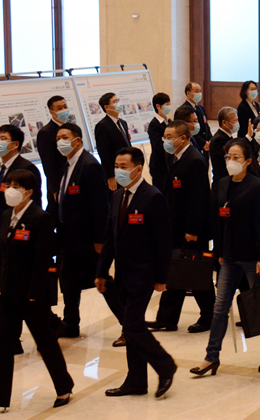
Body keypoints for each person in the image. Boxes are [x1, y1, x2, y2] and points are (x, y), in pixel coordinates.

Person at [0, 170, 73, 417]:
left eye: (16, 186)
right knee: (3, 345)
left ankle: (64, 387)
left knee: (45, 342)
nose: (10, 190)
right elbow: (4, 256)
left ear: (28, 192)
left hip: (32, 296)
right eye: (9, 185)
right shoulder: (6, 216)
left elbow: (42, 260)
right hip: (8, 295)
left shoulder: (40, 218)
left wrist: (35, 293)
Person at [192, 139, 260, 375]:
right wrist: (219, 252)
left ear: (248, 161)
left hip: (252, 257)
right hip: (229, 257)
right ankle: (211, 357)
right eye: (228, 157)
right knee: (220, 308)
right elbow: (218, 222)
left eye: (236, 157)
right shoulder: (222, 184)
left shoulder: (257, 186)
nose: (230, 161)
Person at [96, 147, 176, 398]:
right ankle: (137, 380)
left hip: (144, 274)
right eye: (116, 166)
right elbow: (110, 237)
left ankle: (166, 366)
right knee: (133, 326)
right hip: (122, 274)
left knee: (131, 326)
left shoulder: (152, 197)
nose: (118, 170)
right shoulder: (117, 196)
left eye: (123, 166)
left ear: (138, 169)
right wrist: (101, 271)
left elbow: (163, 242)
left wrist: (161, 278)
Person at [55, 123, 124, 341]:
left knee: (102, 280)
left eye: (64, 137)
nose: (60, 142)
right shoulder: (67, 164)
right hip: (69, 236)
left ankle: (130, 326)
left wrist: (99, 239)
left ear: (77, 141)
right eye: (58, 138)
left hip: (87, 239)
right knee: (68, 281)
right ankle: (70, 323)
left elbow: (100, 205)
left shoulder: (89, 165)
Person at [0, 125, 44, 359]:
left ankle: (45, 332)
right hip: (3, 239)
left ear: (15, 144)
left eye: (3, 138)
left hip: (22, 238)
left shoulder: (26, 168)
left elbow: (35, 205)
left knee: (24, 292)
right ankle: (11, 341)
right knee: (7, 291)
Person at [148, 120, 215, 333]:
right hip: (176, 226)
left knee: (196, 273)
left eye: (170, 137)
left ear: (183, 138)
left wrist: (193, 230)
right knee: (175, 268)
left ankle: (210, 316)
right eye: (165, 137)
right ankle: (167, 318)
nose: (166, 141)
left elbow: (199, 199)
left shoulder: (194, 160)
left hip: (191, 230)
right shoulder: (176, 157)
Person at [36, 95, 70, 212]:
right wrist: (55, 189)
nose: (64, 110)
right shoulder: (46, 132)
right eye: (59, 108)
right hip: (59, 181)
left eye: (65, 106)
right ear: (52, 112)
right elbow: (48, 163)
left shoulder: (70, 128)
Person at [94, 92, 132, 192]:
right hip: (116, 171)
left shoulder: (123, 123)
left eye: (118, 100)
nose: (119, 103)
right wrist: (110, 176)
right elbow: (103, 153)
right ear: (106, 107)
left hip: (128, 168)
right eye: (115, 102)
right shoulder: (102, 126)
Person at [147, 92, 172, 191]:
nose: (169, 106)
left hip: (169, 162)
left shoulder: (169, 121)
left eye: (169, 104)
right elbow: (157, 144)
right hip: (159, 165)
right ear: (158, 106)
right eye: (167, 104)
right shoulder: (154, 124)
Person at [209, 106, 240, 185]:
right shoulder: (218, 140)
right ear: (224, 123)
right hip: (221, 184)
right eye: (235, 120)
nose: (237, 123)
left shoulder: (227, 136)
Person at [181, 82, 212, 154]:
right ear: (188, 93)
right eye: (197, 91)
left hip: (205, 148)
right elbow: (187, 131)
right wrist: (203, 143)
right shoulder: (183, 110)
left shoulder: (201, 108)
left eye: (200, 91)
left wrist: (210, 140)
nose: (199, 93)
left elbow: (206, 126)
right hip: (195, 146)